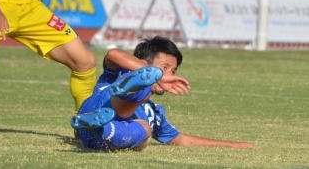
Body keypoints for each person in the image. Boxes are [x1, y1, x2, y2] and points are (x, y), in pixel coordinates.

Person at [71, 36, 257, 151]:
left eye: (173, 71)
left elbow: (183, 140)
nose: (169, 75)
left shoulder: (155, 113)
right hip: (96, 104)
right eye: (164, 68)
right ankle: (134, 87)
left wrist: (234, 145)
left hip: (101, 138)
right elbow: (112, 54)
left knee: (145, 129)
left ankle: (100, 127)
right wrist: (154, 77)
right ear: (142, 62)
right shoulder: (116, 73)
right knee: (143, 87)